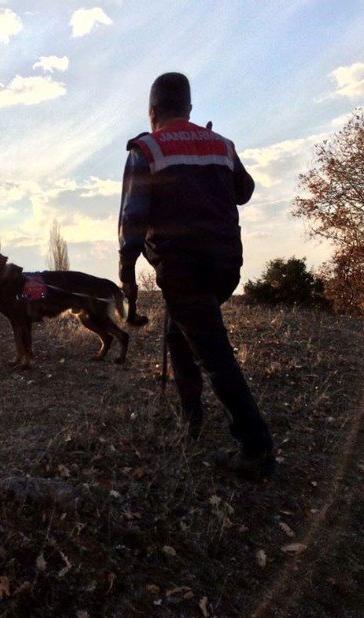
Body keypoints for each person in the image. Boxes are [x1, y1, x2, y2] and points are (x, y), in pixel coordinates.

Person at [118, 72, 275, 480]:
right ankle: (191, 419)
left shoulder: (146, 148)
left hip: (182, 267)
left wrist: (126, 271)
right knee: (180, 331)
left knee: (213, 353)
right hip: (226, 266)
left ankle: (256, 448)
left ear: (152, 112)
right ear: (189, 109)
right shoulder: (221, 145)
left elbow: (132, 218)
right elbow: (244, 191)